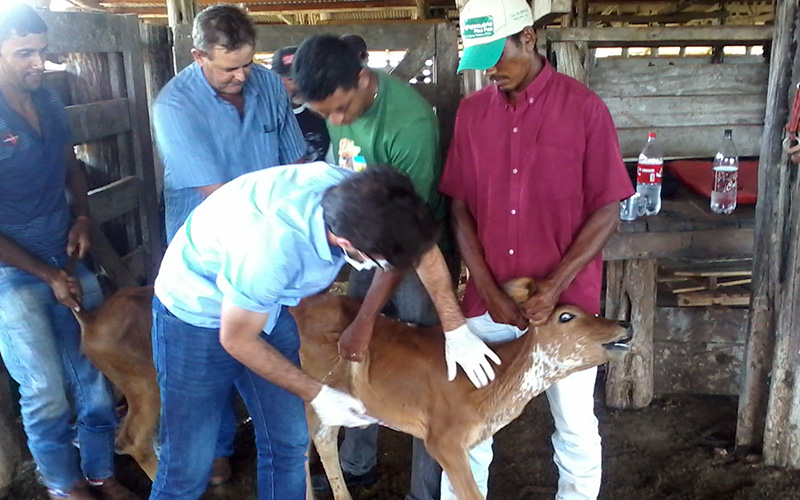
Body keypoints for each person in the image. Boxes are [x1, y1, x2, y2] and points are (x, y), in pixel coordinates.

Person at [148, 162, 500, 500]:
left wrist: (455, 328)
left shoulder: (364, 197)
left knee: (289, 442)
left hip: (264, 308)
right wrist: (318, 394)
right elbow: (236, 338)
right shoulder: (272, 249)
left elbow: (420, 250)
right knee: (188, 464)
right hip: (194, 316)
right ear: (349, 245)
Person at [438, 0, 635, 499]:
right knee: (468, 421)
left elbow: (607, 209)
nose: (489, 69)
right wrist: (486, 288)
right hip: (488, 302)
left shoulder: (585, 109)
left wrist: (554, 286)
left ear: (527, 38)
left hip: (565, 308)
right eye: (479, 57)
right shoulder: (472, 112)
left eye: (496, 54)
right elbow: (459, 206)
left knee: (573, 419)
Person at [292, 34, 460, 500]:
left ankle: (424, 491)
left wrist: (366, 319)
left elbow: (407, 239)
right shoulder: (337, 108)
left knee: (424, 368)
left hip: (413, 255)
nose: (337, 121)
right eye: (326, 114)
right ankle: (356, 464)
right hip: (365, 243)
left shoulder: (409, 126)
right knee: (356, 357)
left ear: (363, 79)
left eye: (342, 110)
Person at [151, 5, 307, 485]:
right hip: (203, 287)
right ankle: (215, 451)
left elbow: (294, 167)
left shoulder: (265, 85)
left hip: (266, 283)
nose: (241, 76)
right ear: (198, 56)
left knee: (289, 441)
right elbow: (222, 202)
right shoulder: (174, 106)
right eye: (227, 68)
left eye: (246, 62)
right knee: (187, 462)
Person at [0, 4, 137, 500]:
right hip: (10, 271)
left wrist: (81, 217)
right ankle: (62, 483)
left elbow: (71, 168)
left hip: (65, 254)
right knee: (42, 387)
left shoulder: (51, 102)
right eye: (24, 54)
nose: (38, 62)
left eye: (42, 51)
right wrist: (46, 274)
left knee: (94, 371)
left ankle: (101, 473)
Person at [271, 45, 332, 163]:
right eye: (291, 79)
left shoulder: (326, 111)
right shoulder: (268, 117)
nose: (299, 86)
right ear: (274, 79)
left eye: (304, 78)